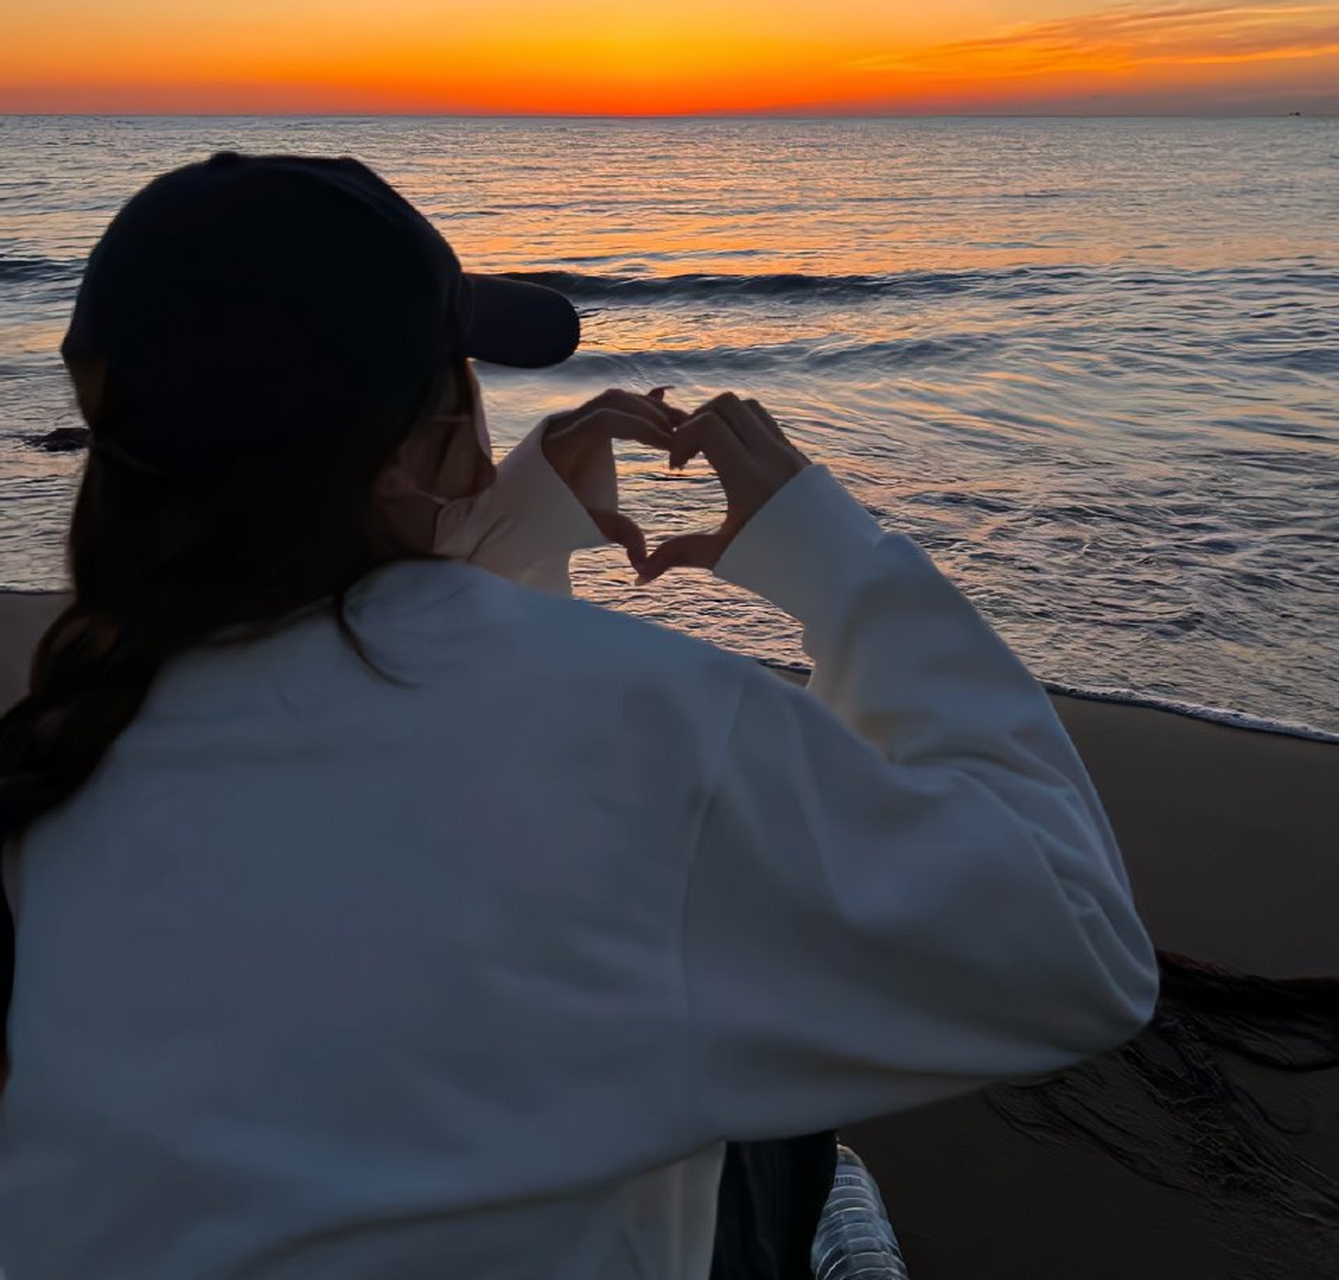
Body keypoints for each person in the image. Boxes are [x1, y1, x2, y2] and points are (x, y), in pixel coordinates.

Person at [0, 152, 1159, 1280]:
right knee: (761, 1026)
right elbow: (1075, 943)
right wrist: (838, 563)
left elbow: (396, 796)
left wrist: (506, 527)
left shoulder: (63, 743)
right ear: (418, 447)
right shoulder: (637, 717)